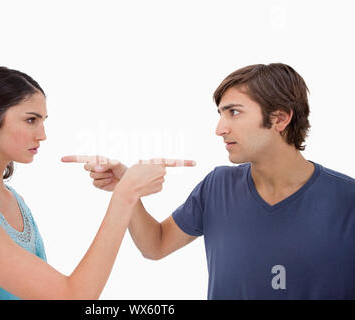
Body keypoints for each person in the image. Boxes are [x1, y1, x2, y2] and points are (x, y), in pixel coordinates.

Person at [63, 63, 355, 299]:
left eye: (234, 112)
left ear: (280, 119)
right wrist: (127, 188)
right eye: (220, 114)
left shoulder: (347, 200)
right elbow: (155, 245)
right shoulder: (217, 186)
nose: (219, 128)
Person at [0, 66, 194, 300]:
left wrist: (124, 187)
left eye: (43, 121)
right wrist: (126, 194)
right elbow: (72, 295)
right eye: (30, 120)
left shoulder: (12, 198)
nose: (42, 135)